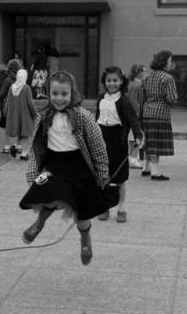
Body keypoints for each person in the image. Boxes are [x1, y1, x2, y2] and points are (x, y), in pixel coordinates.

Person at [19, 71, 118, 266]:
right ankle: (38, 224)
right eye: (55, 93)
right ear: (48, 92)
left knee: (82, 211)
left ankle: (85, 240)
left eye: (64, 94)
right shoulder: (44, 116)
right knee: (46, 192)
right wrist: (33, 170)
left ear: (72, 93)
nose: (59, 98)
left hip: (79, 166)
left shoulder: (83, 116)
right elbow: (36, 145)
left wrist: (102, 172)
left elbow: (98, 146)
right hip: (54, 165)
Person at [95, 66, 144, 223]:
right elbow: (96, 118)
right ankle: (104, 207)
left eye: (115, 80)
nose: (112, 83)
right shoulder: (101, 98)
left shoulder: (123, 100)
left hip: (118, 141)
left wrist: (138, 134)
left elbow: (133, 119)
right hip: (102, 140)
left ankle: (121, 207)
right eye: (109, 80)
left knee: (120, 177)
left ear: (121, 81)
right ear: (105, 81)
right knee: (103, 175)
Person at [140, 50, 178, 180]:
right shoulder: (168, 78)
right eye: (169, 61)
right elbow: (172, 98)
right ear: (164, 63)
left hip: (147, 112)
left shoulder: (146, 77)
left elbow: (142, 97)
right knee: (156, 143)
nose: (170, 64)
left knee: (149, 141)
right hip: (161, 113)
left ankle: (146, 168)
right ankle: (155, 172)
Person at [2, 69, 37, 159]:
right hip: (25, 114)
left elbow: (8, 101)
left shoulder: (12, 87)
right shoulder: (26, 88)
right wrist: (35, 113)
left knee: (21, 133)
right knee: (26, 134)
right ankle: (24, 154)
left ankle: (14, 145)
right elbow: (30, 103)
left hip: (13, 115)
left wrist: (6, 112)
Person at [126, 63, 145, 168]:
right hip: (135, 115)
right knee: (137, 137)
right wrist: (137, 114)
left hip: (130, 115)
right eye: (143, 71)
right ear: (138, 73)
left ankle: (131, 158)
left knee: (131, 138)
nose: (144, 73)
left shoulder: (131, 83)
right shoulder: (137, 85)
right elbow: (134, 102)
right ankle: (133, 159)